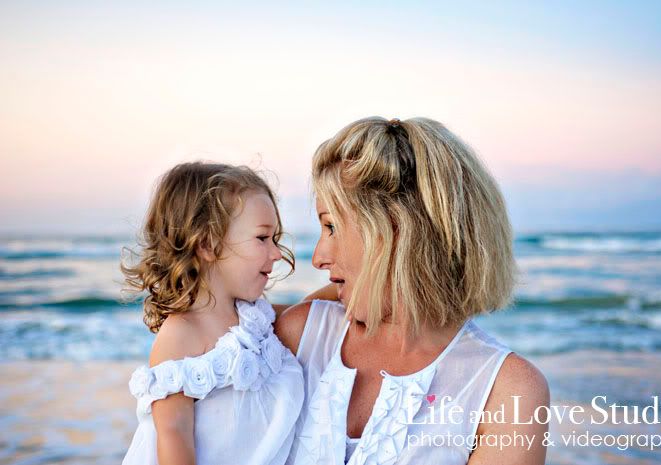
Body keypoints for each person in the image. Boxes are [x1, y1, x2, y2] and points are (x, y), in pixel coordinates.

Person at [276, 117, 550, 464]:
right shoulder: (299, 336)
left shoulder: (507, 391)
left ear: (396, 231)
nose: (318, 258)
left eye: (331, 226)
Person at [121, 162, 304, 465]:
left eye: (276, 239)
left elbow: (311, 311)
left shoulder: (254, 318)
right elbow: (173, 435)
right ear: (207, 244)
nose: (276, 253)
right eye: (262, 238)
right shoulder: (182, 334)